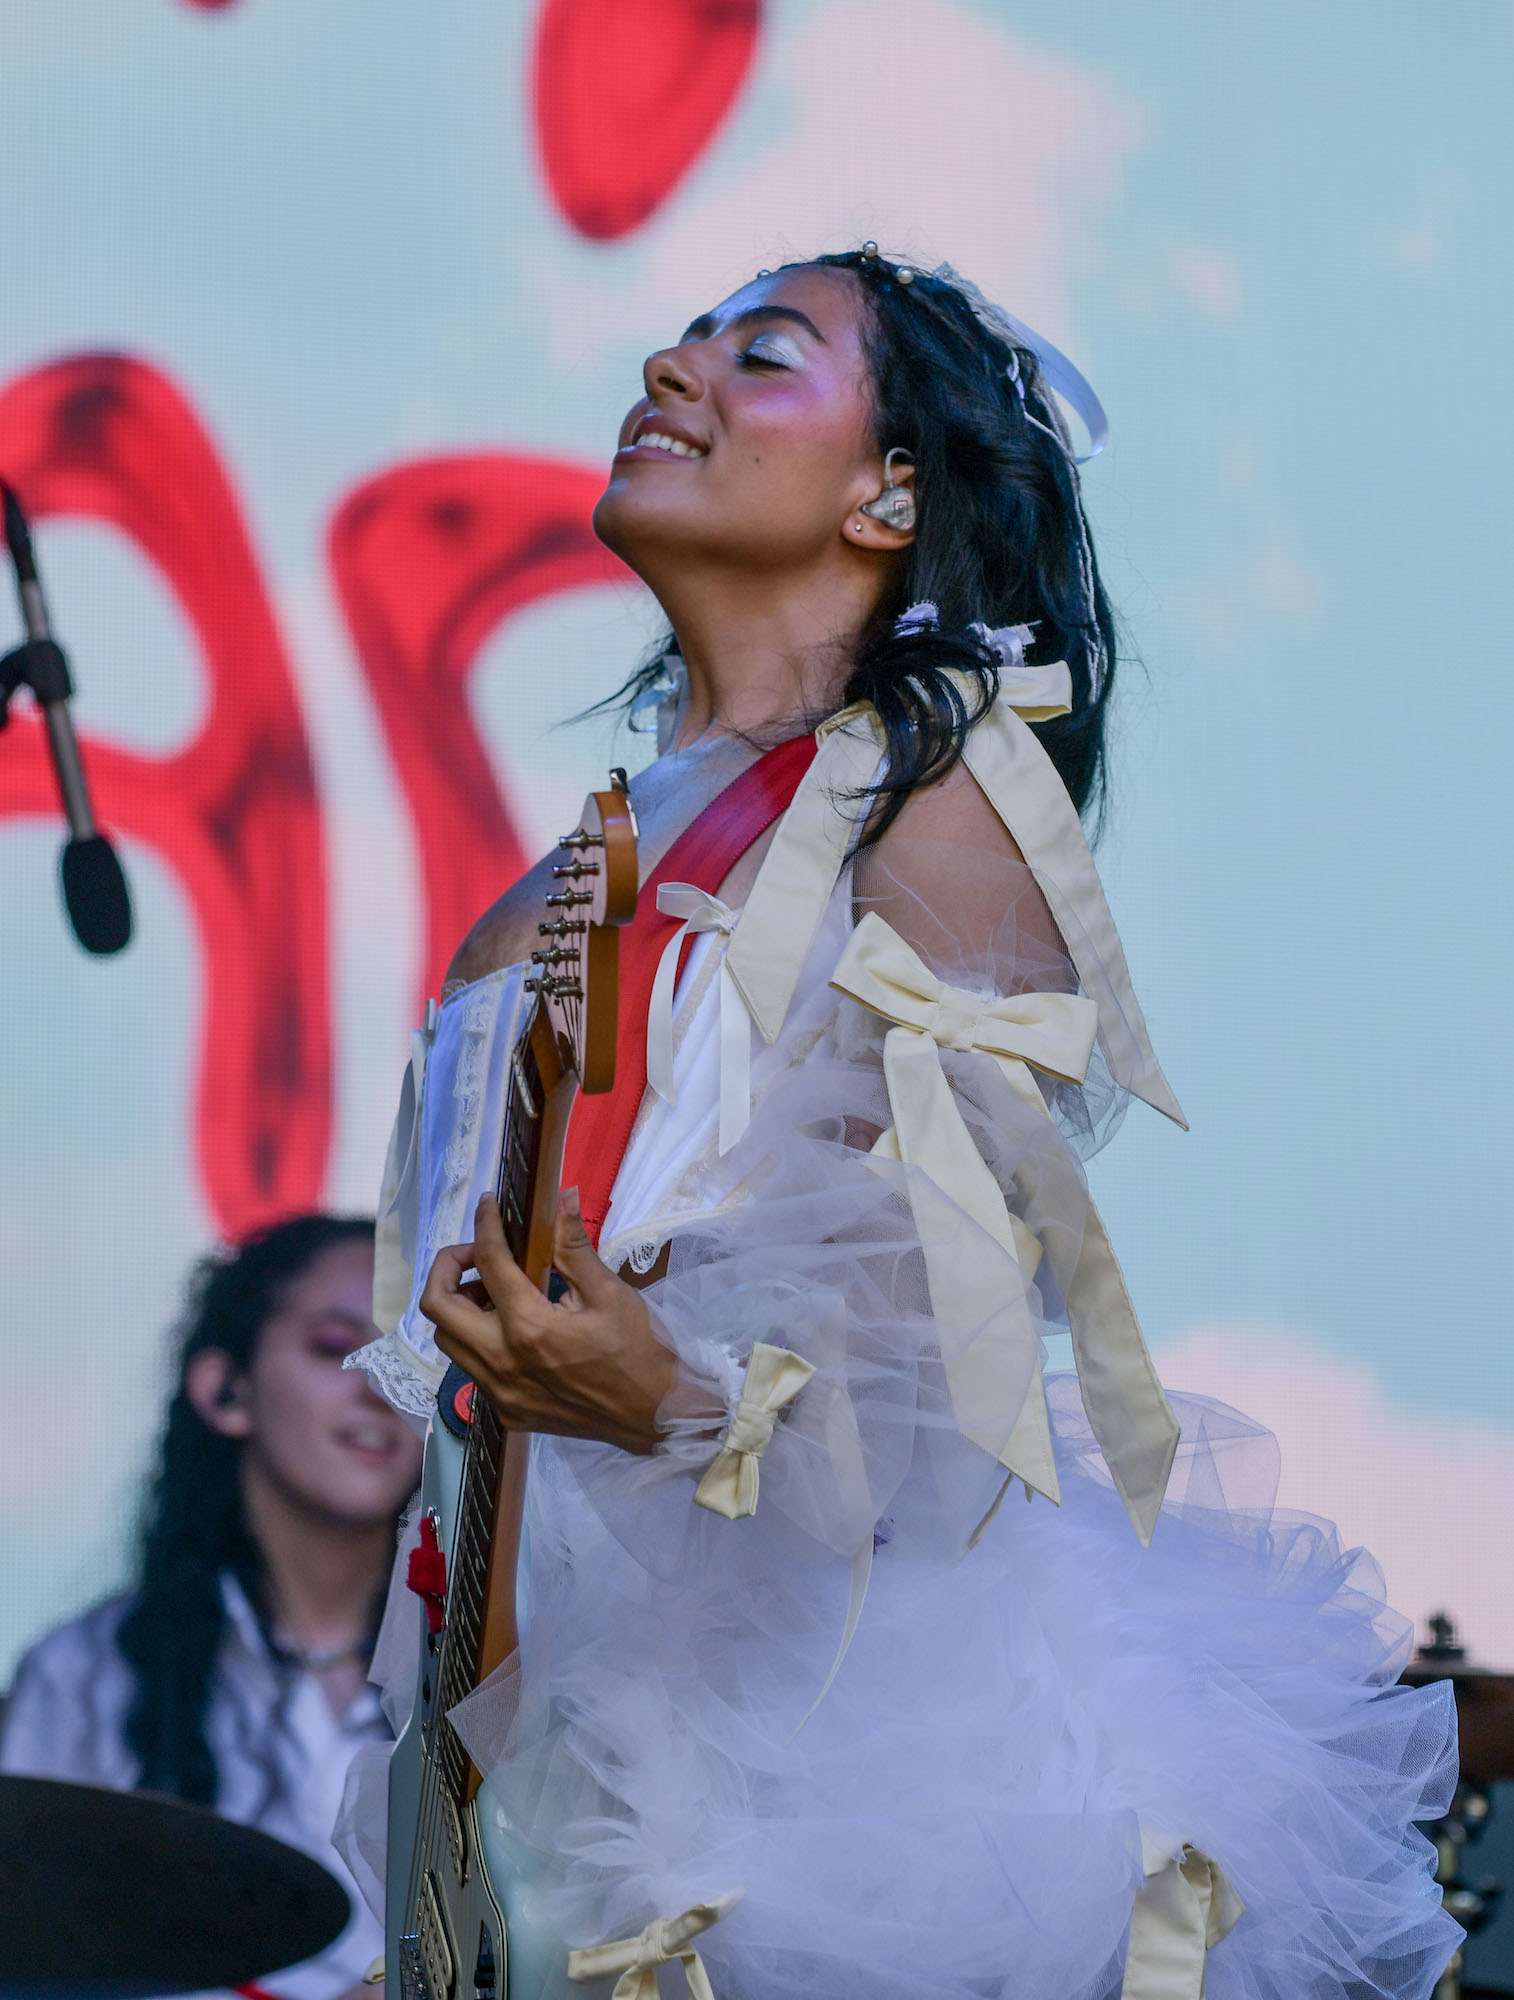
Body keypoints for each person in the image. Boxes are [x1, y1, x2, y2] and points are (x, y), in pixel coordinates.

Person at [350, 245, 1459, 1999]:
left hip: (847, 1787)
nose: (668, 369)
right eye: (682, 340)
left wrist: (677, 1403)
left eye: (761, 355)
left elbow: (938, 1368)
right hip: (548, 1749)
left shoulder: (931, 803)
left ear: (889, 493)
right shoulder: (567, 868)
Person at [2, 1214, 423, 2000]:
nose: (379, 1387)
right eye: (337, 1348)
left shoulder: (488, 1668)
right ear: (225, 1390)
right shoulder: (86, 1674)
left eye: (410, 1361)